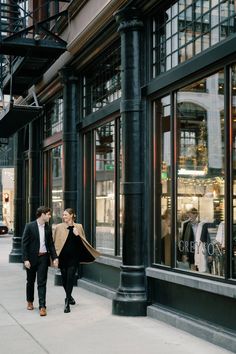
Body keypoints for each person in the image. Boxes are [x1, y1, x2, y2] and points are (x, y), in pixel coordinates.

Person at [53, 208, 101, 313]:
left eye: (66, 215)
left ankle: (67, 302)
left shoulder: (79, 226)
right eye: (63, 215)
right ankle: (69, 297)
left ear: (72, 215)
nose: (63, 216)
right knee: (65, 279)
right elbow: (54, 242)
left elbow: (83, 243)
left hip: (73, 258)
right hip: (62, 257)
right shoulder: (59, 227)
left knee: (70, 278)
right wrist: (55, 257)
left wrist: (77, 235)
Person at [22, 206, 58, 316]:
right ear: (42, 214)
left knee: (42, 282)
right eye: (48, 214)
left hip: (43, 258)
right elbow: (24, 244)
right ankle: (30, 301)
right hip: (32, 259)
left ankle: (42, 306)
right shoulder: (30, 226)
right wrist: (25, 259)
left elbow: (51, 244)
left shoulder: (47, 227)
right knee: (30, 281)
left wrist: (55, 257)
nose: (50, 216)